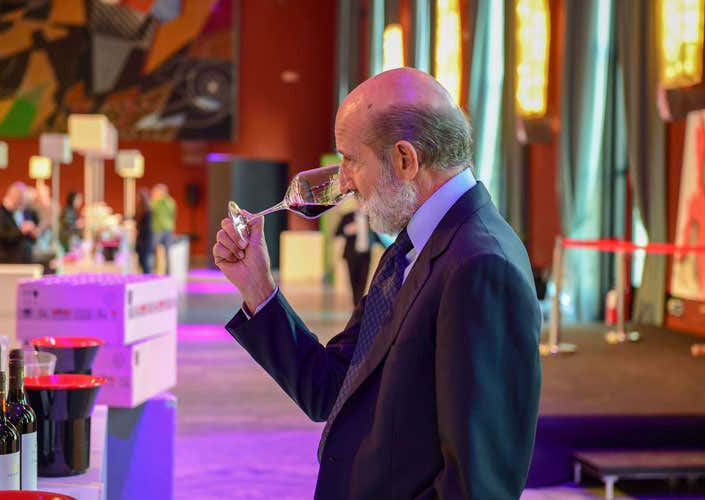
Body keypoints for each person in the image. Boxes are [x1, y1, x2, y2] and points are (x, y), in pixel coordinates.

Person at [213, 68, 541, 499]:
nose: (344, 181)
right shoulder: (413, 244)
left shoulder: (482, 267)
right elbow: (330, 388)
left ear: (405, 160)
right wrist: (258, 287)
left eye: (351, 159)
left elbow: (476, 487)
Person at [335, 208, 380, 305]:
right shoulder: (348, 216)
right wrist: (348, 229)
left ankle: (358, 303)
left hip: (366, 255)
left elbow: (377, 235)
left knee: (363, 281)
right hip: (351, 256)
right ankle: (356, 303)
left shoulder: (370, 218)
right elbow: (337, 232)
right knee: (353, 281)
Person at [0, 182, 40, 263]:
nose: (22, 202)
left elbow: (31, 237)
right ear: (11, 196)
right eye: (20, 199)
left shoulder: (25, 212)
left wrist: (33, 233)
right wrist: (21, 230)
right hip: (7, 259)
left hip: (26, 258)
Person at [151, 183, 176, 273]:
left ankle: (152, 270)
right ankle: (168, 272)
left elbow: (151, 211)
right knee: (168, 252)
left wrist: (154, 199)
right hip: (169, 228)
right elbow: (173, 215)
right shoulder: (171, 202)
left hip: (158, 229)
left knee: (152, 249)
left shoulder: (156, 202)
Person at [135, 188, 153, 274]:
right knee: (141, 258)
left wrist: (139, 229)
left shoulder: (148, 211)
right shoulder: (140, 209)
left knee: (144, 259)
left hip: (145, 238)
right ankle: (144, 274)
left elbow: (148, 227)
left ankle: (147, 275)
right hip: (141, 237)